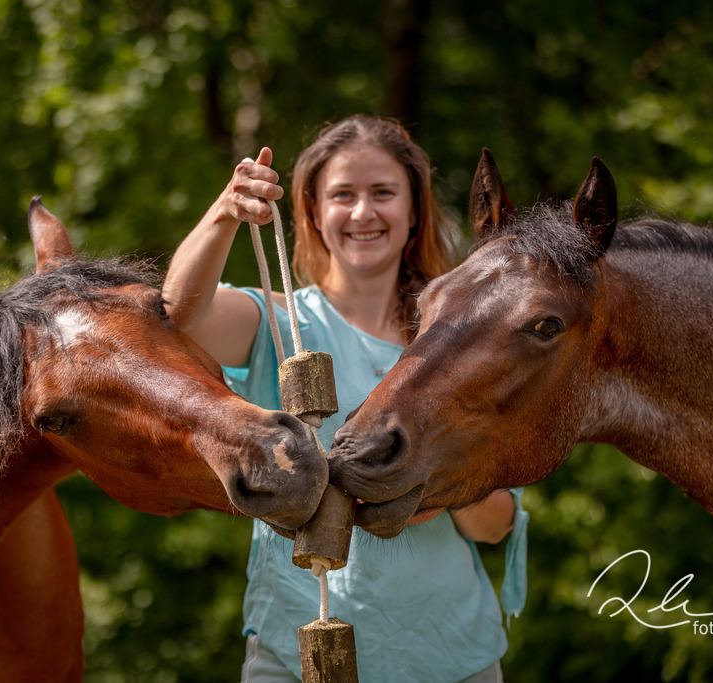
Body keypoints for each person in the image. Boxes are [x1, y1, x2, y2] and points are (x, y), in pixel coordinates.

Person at [163, 116, 528, 683]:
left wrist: (424, 474)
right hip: (295, 651)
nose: (363, 212)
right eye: (342, 196)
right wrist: (224, 213)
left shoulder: (458, 341)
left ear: (414, 211)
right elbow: (180, 316)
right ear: (312, 212)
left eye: (383, 192)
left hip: (450, 655)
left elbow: (495, 524)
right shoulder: (281, 324)